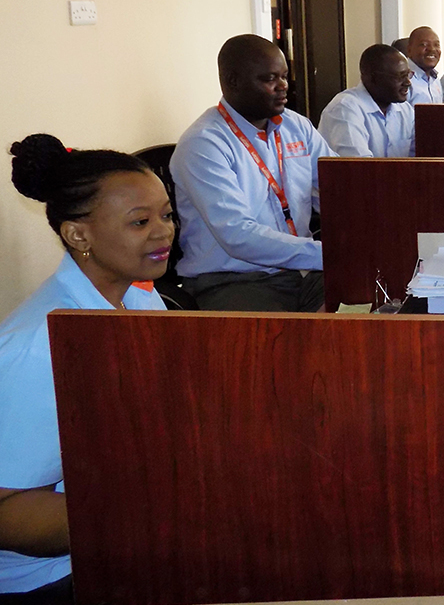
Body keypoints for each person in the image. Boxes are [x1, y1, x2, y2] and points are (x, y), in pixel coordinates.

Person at [0, 135, 171, 599]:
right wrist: (155, 511)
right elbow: (6, 512)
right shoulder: (38, 345)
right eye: (141, 221)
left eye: (166, 214)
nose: (163, 231)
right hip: (52, 578)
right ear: (78, 235)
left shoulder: (136, 294)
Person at [170, 34, 335, 311]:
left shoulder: (297, 126)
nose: (283, 86)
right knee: (276, 345)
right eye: (270, 78)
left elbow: (338, 188)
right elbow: (239, 236)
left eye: (284, 76)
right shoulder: (204, 143)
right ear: (233, 81)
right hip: (235, 280)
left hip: (302, 272)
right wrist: (329, 254)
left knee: (369, 305)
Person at [318, 44, 415, 158]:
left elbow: (419, 157)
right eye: (400, 77)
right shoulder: (344, 108)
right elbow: (360, 168)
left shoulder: (405, 110)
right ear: (373, 78)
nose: (408, 82)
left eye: (408, 74)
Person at [405, 26, 443, 104]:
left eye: (436, 45)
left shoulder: (435, 79)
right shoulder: (403, 79)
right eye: (424, 44)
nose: (432, 49)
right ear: (409, 50)